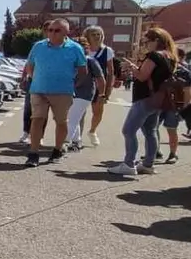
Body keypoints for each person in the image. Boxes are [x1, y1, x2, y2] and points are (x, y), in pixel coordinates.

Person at [108, 28, 178, 176]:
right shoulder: (170, 56)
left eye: (147, 42)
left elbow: (142, 76)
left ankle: (129, 164)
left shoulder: (154, 55)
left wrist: (132, 67)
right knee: (150, 131)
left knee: (128, 130)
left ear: (156, 41)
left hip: (145, 98)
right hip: (158, 99)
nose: (146, 45)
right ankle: (148, 164)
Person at [22, 18, 87, 167]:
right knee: (37, 119)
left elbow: (83, 70)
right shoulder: (38, 46)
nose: (52, 33)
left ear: (66, 32)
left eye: (57, 30)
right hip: (39, 90)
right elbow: (30, 65)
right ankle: (33, 153)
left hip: (63, 92)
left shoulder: (75, 48)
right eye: (50, 30)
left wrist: (74, 85)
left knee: (61, 121)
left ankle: (57, 150)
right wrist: (35, 78)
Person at [64, 37, 105, 151]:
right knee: (74, 118)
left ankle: (64, 142)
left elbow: (100, 79)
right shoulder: (71, 61)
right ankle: (77, 142)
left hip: (84, 94)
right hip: (71, 93)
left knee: (72, 119)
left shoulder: (90, 61)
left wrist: (102, 94)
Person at [83, 26, 115, 146]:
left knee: (98, 112)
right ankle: (76, 136)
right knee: (79, 111)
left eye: (99, 34)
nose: (97, 36)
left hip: (100, 85)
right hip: (83, 85)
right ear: (87, 36)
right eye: (94, 34)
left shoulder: (107, 51)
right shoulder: (82, 49)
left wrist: (108, 89)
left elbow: (110, 72)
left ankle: (92, 131)